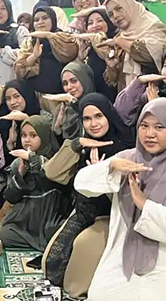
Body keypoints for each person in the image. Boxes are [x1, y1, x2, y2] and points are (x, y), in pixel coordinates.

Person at [75, 98, 166, 301]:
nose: (149, 134)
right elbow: (82, 183)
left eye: (159, 127)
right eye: (144, 126)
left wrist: (145, 206)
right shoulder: (129, 160)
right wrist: (110, 167)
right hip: (125, 257)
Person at [43, 93, 134, 297]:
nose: (93, 124)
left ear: (108, 115)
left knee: (75, 283)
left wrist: (100, 174)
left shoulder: (125, 150)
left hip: (110, 218)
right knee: (52, 264)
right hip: (82, 212)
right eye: (87, 118)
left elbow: (126, 198)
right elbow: (52, 173)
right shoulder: (85, 146)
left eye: (98, 116)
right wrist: (76, 144)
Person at [0, 115, 71, 251]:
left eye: (33, 135)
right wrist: (20, 175)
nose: (27, 140)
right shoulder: (18, 163)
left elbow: (53, 180)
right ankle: (36, 243)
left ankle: (43, 243)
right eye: (23, 135)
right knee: (1, 234)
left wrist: (33, 159)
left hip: (49, 216)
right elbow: (10, 197)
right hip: (24, 219)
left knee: (58, 234)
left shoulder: (55, 160)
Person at [100, 0, 166, 90]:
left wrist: (120, 42)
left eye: (119, 8)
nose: (115, 16)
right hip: (128, 96)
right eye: (110, 14)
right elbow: (113, 81)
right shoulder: (121, 35)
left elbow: (151, 56)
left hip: (153, 93)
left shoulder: (153, 26)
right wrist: (112, 68)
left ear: (130, 6)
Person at [15, 2, 79, 95]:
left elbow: (69, 54)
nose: (40, 22)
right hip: (36, 95)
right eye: (36, 20)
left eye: (45, 18)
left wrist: (48, 36)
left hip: (63, 94)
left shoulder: (64, 37)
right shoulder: (29, 43)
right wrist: (34, 56)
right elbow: (19, 71)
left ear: (53, 20)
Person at [42, 62, 96, 140]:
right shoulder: (63, 108)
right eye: (65, 83)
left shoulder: (97, 104)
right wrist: (58, 127)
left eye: (74, 81)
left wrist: (72, 100)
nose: (69, 87)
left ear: (84, 80)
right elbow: (58, 143)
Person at [75, 7, 119, 101]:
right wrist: (80, 59)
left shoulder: (117, 43)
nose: (95, 25)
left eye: (99, 21)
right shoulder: (87, 49)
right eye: (90, 23)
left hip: (114, 97)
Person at [0, 79, 40, 159]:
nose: (12, 102)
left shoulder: (41, 117)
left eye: (17, 96)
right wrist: (10, 144)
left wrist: (27, 119)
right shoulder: (5, 123)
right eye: (8, 99)